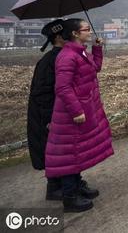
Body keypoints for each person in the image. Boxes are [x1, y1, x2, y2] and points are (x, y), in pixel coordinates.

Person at [45, 18, 114, 212]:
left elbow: (95, 68)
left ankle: (77, 185)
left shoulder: (80, 52)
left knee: (78, 151)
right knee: (71, 153)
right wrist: (77, 111)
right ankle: (70, 196)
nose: (89, 32)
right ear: (75, 33)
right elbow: (63, 87)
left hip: (84, 108)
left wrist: (97, 49)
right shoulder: (67, 56)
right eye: (86, 30)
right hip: (72, 114)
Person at [26, 19, 65, 200]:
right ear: (58, 37)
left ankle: (68, 183)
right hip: (48, 115)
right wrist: (49, 119)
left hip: (60, 112)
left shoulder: (63, 56)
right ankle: (55, 187)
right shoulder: (50, 61)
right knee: (54, 149)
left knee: (64, 149)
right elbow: (42, 94)